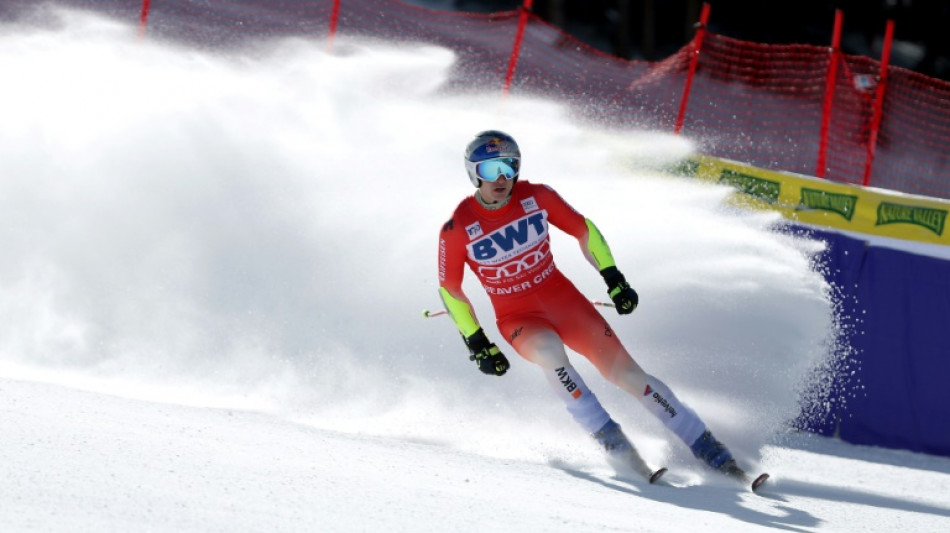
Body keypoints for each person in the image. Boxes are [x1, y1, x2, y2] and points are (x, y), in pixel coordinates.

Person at [437, 130, 751, 484]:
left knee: (629, 377)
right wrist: (477, 343)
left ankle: (711, 450)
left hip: (566, 304)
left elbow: (584, 230)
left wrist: (614, 278)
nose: (502, 178)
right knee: (549, 352)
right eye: (491, 168)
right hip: (519, 319)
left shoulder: (537, 196)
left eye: (509, 166)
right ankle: (618, 447)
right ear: (474, 172)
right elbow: (450, 290)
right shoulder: (458, 227)